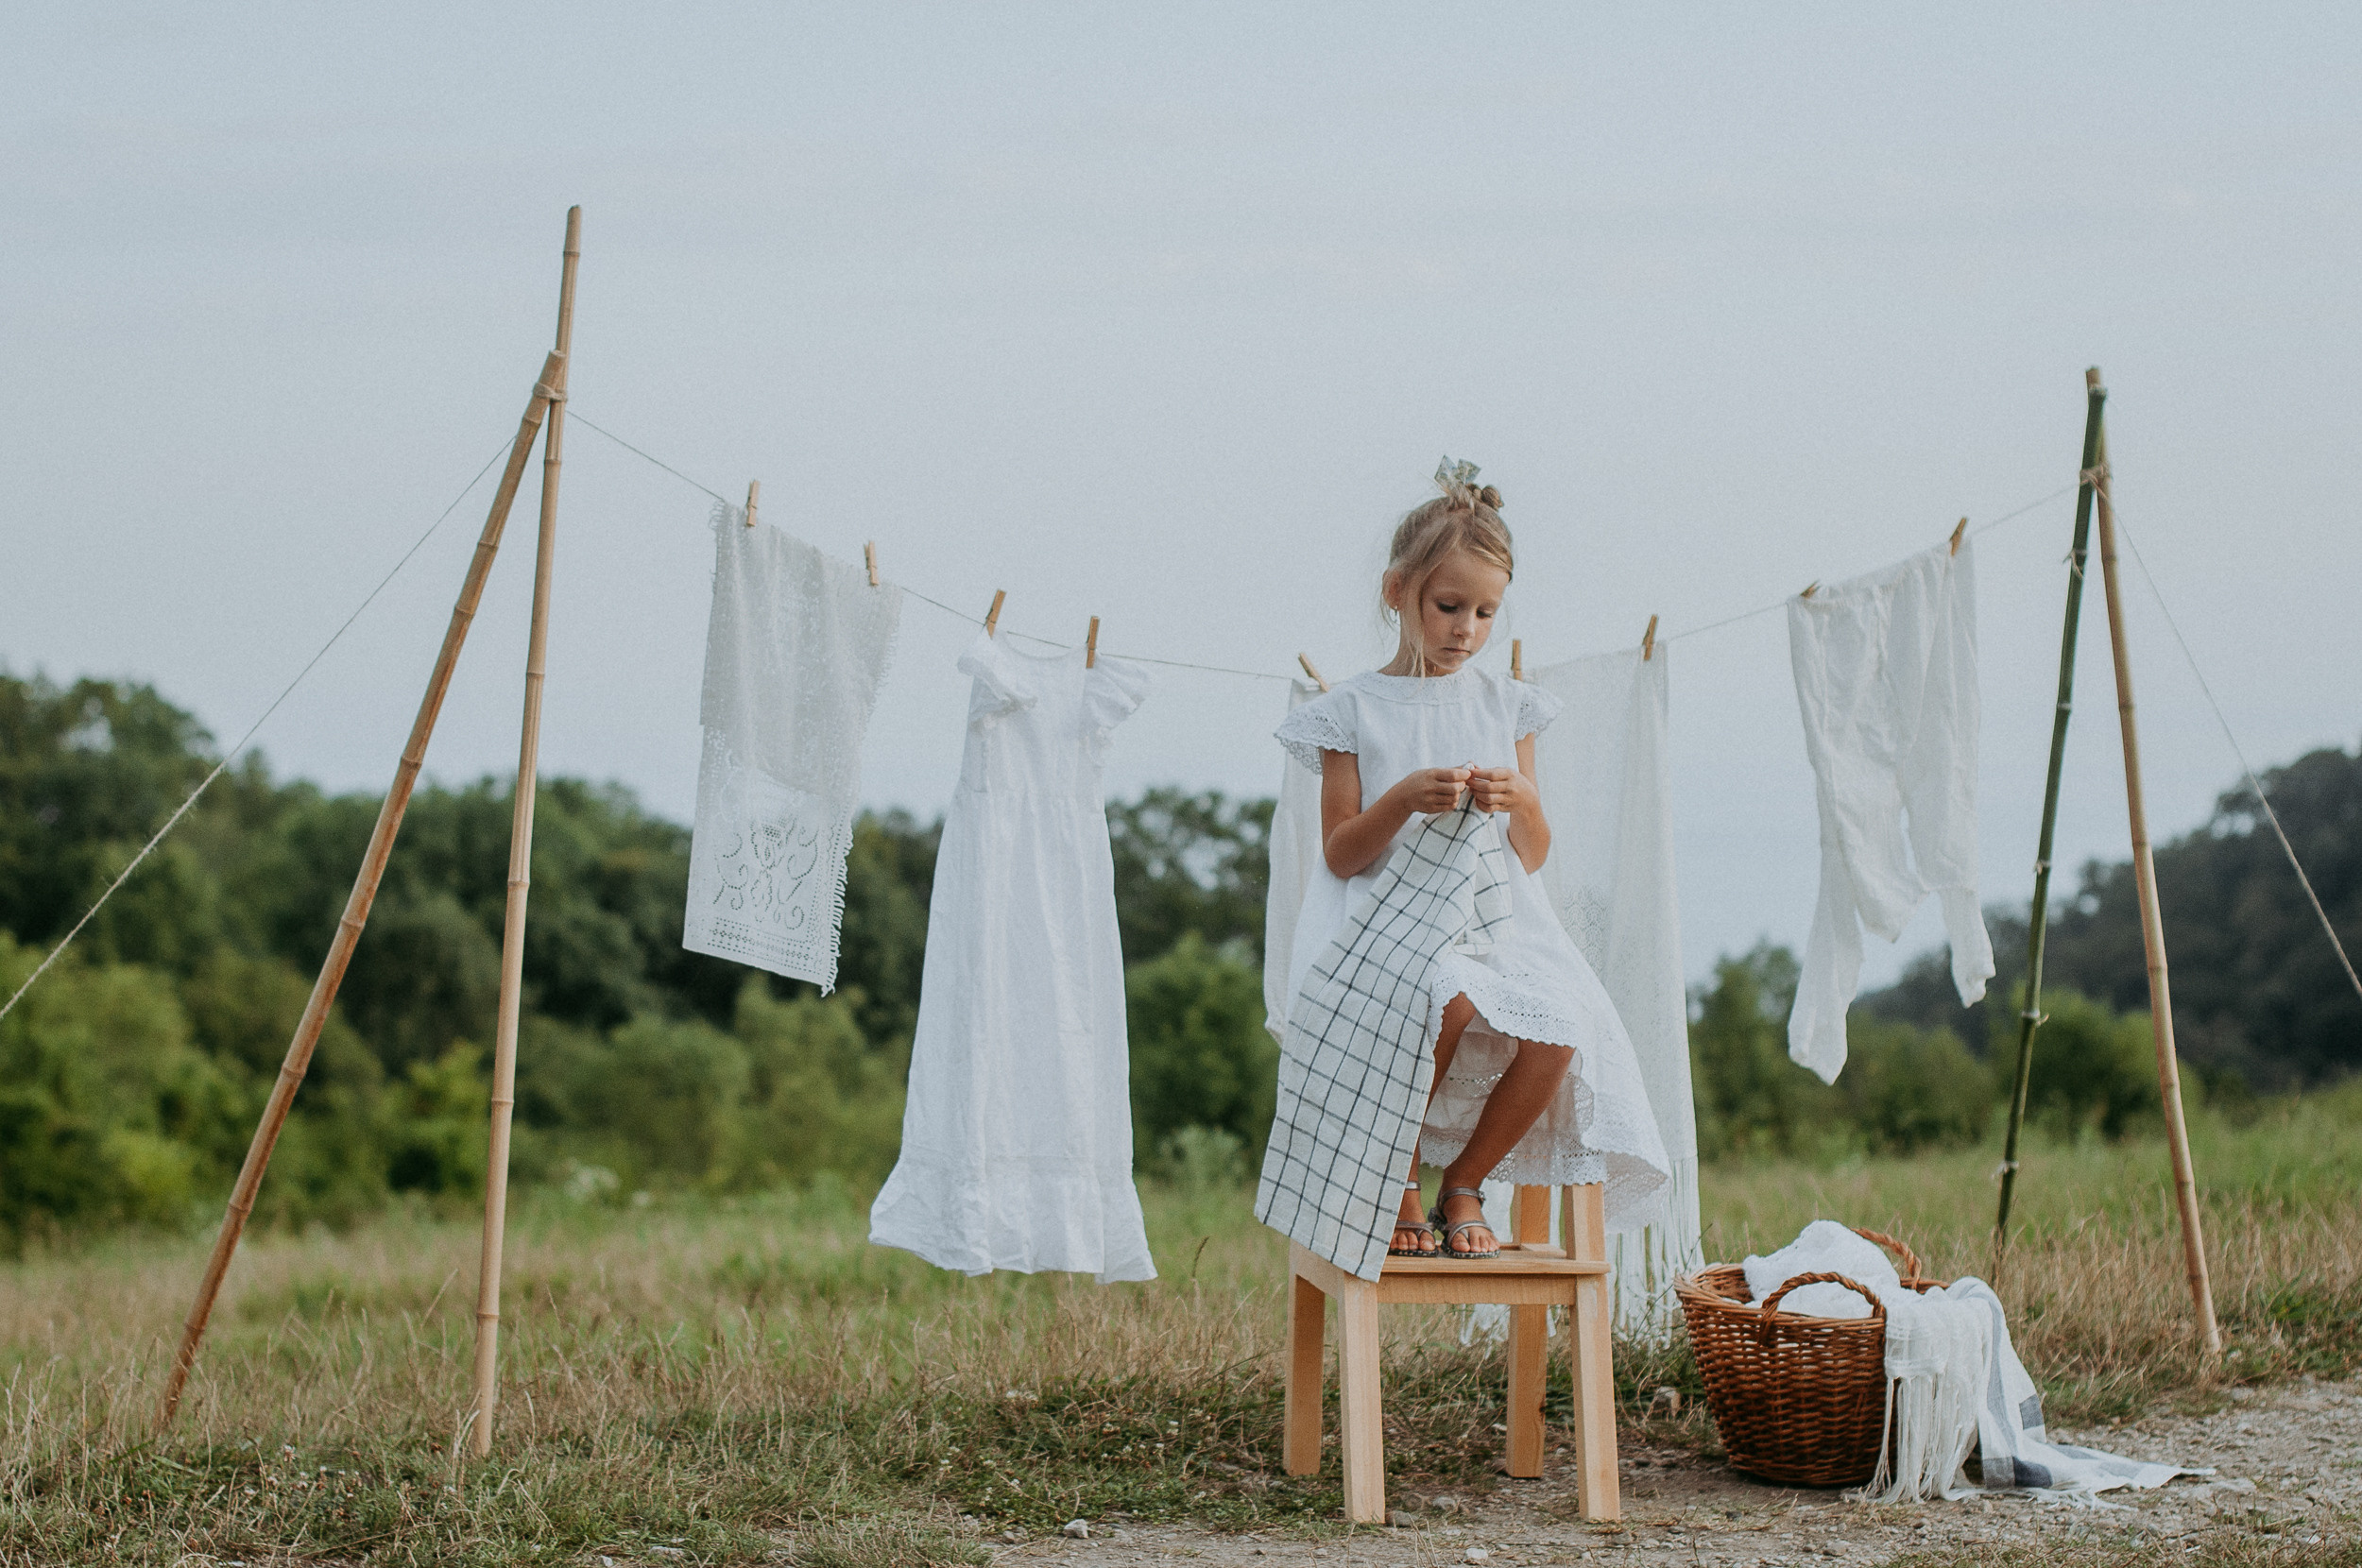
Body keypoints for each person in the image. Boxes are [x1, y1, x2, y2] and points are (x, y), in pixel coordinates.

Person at [1274, 461, 1668, 1258]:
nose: (1466, 630)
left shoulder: (1505, 703)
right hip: (1380, 917)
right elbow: (1342, 854)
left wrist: (1520, 799)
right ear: (1398, 593)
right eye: (1449, 606)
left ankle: (1466, 1181)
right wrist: (1402, 801)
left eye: (1485, 612)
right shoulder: (1350, 709)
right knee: (1440, 998)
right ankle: (1394, 1181)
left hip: (1493, 917)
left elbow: (1533, 854)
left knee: (1560, 1025)